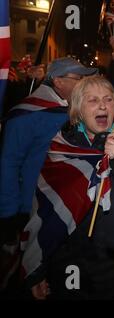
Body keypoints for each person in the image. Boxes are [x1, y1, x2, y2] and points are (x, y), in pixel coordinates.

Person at [21, 75, 114, 300]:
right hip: (68, 262)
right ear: (78, 110)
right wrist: (36, 270)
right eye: (92, 100)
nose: (102, 105)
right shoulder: (61, 148)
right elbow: (44, 212)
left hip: (113, 264)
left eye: (109, 99)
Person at [0, 58, 98, 244]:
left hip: (72, 206)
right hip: (35, 208)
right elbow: (9, 165)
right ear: (58, 81)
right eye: (78, 78)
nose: (84, 84)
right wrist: (9, 214)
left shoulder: (79, 110)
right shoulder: (26, 115)